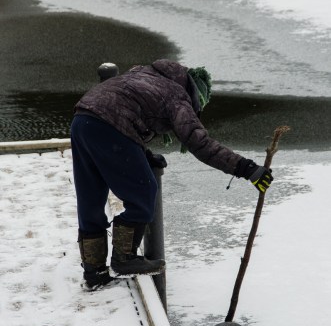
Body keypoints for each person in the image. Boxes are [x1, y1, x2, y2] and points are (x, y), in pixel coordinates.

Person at [71, 59, 273, 290]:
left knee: (91, 197)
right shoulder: (177, 97)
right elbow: (201, 144)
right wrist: (246, 168)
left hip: (82, 119)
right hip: (110, 126)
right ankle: (124, 259)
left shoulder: (144, 74)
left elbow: (129, 108)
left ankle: (94, 271)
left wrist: (143, 155)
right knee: (144, 192)